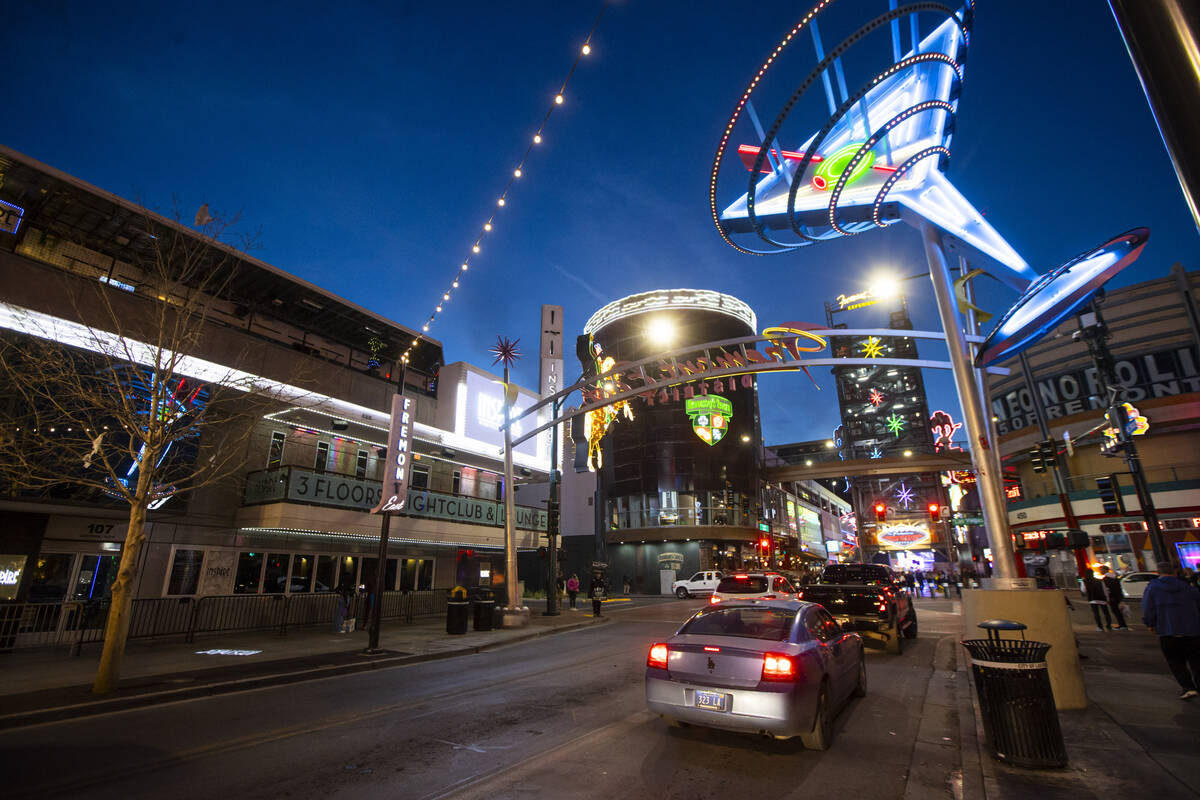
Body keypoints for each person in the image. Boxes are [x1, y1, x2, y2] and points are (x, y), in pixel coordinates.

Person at [1141, 560, 1200, 700]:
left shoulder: (1152, 588)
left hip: (1168, 630)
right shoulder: (1188, 587)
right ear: (1174, 572)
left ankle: (1188, 687)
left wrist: (1150, 624)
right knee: (1196, 661)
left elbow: (1148, 608)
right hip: (1193, 630)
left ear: (1158, 572)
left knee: (1175, 661)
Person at [1098, 565, 1129, 630]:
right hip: (1118, 596)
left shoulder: (1106, 579)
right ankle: (1123, 625)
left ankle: (1122, 625)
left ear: (1105, 570)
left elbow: (1107, 589)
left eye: (1101, 569)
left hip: (1112, 597)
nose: (1100, 571)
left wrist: (1108, 598)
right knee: (1118, 611)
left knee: (1116, 611)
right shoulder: (1114, 577)